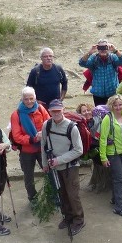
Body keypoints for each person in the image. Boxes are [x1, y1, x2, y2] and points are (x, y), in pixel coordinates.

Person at [41, 100, 85, 235]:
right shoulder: (46, 125)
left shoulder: (72, 127)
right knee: (61, 193)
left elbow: (79, 150)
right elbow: (44, 144)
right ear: (49, 112)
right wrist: (44, 163)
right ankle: (68, 217)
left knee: (73, 195)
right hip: (55, 166)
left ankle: (78, 220)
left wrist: (58, 160)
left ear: (63, 110)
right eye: (53, 111)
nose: (56, 113)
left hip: (70, 166)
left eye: (58, 111)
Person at [9, 86, 49, 202]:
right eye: (26, 99)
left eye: (31, 98)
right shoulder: (16, 115)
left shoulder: (41, 109)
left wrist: (43, 133)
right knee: (28, 176)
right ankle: (33, 198)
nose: (29, 101)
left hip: (42, 148)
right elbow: (17, 136)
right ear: (22, 100)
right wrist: (31, 140)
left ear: (35, 98)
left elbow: (49, 123)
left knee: (49, 172)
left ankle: (52, 195)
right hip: (27, 151)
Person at [99, 94, 122, 217]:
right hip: (112, 152)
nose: (118, 107)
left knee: (121, 176)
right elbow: (102, 139)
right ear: (111, 106)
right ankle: (119, 208)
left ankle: (116, 199)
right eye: (115, 105)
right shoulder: (107, 119)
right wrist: (103, 157)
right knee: (119, 178)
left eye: (120, 104)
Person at [79, 39, 122, 105]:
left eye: (105, 47)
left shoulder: (113, 58)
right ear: (98, 48)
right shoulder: (94, 59)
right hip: (98, 94)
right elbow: (82, 63)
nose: (103, 50)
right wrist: (90, 52)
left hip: (112, 93)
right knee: (100, 114)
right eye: (100, 47)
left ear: (108, 48)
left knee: (113, 113)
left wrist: (115, 50)